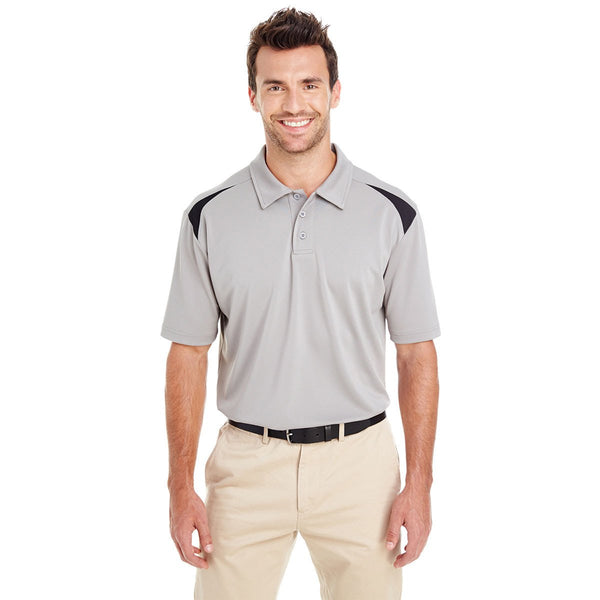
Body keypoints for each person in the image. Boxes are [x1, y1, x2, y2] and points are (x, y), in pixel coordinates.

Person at [160, 7, 441, 600]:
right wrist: (179, 487)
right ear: (252, 96)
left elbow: (416, 354)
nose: (294, 104)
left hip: (361, 469)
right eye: (275, 87)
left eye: (310, 84)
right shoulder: (208, 217)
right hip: (246, 467)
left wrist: (419, 485)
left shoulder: (393, 214)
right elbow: (188, 354)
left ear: (335, 92)